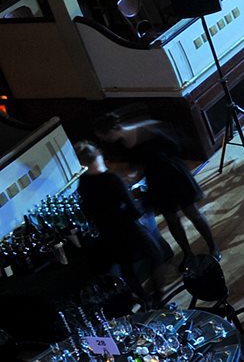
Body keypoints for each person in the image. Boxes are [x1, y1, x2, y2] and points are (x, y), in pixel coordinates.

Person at [96, 114, 216, 262]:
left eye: (103, 136)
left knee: (192, 212)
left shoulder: (145, 129)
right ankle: (188, 254)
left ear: (111, 130)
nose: (103, 140)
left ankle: (213, 248)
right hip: (155, 180)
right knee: (171, 219)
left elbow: (174, 146)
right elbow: (136, 164)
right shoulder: (121, 144)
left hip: (173, 173)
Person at [73, 141, 168, 306]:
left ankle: (144, 299)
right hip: (129, 226)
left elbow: (88, 212)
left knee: (126, 267)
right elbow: (134, 209)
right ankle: (159, 297)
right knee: (155, 253)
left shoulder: (82, 184)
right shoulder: (112, 179)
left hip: (108, 230)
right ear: (98, 156)